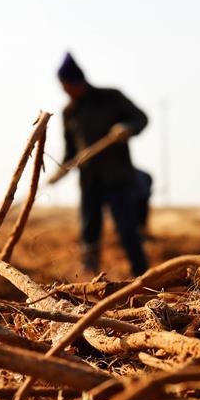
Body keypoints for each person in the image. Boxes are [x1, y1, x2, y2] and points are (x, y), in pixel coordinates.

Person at [58, 52, 150, 277]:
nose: (65, 90)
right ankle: (89, 276)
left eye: (67, 85)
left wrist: (127, 128)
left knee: (127, 229)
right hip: (89, 180)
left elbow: (141, 118)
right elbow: (71, 150)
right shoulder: (69, 112)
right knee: (89, 230)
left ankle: (142, 276)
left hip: (118, 177)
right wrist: (62, 168)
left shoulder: (111, 97)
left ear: (78, 82)